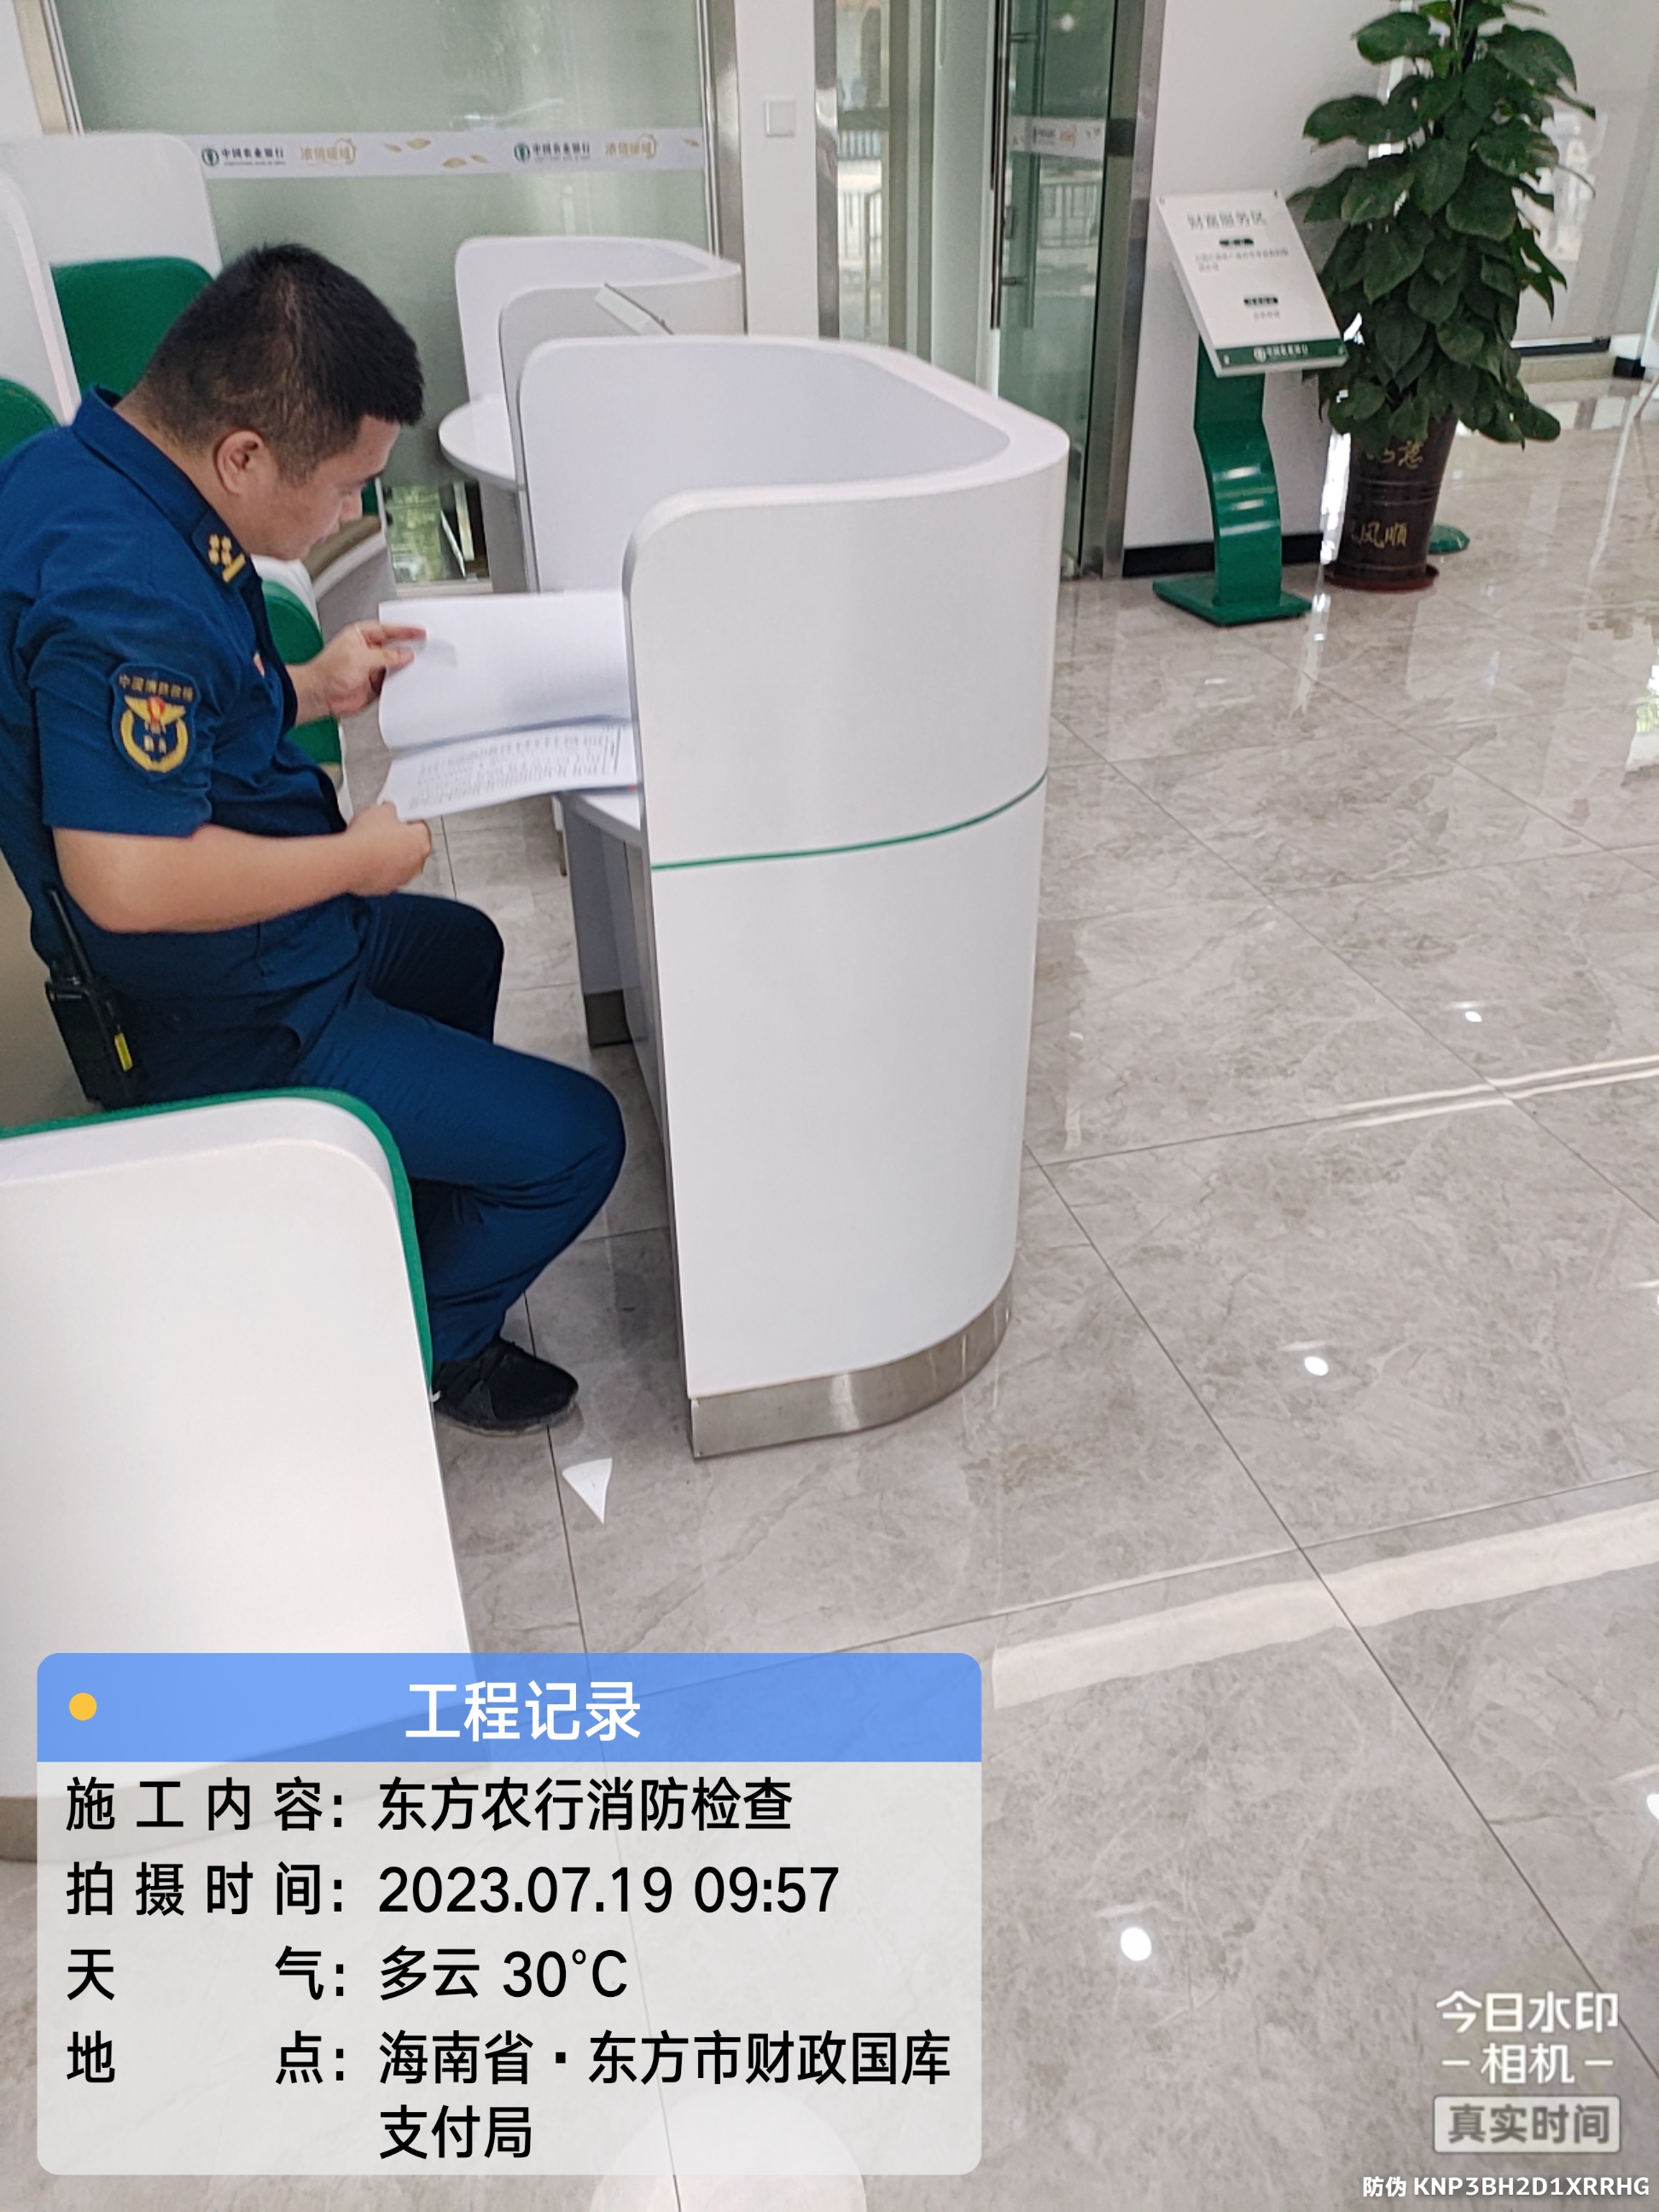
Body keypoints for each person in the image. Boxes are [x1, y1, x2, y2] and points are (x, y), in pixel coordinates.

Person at [0, 244, 624, 1435]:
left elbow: (182, 717)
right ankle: (422, 1346)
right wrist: (354, 860)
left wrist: (308, 686)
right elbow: (125, 876)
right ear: (245, 454)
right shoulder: (122, 587)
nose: (350, 515)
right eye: (344, 487)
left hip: (263, 945)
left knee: (462, 950)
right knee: (579, 1141)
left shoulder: (89, 472)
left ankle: (380, 1203)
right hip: (229, 1007)